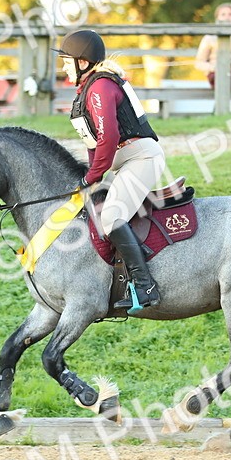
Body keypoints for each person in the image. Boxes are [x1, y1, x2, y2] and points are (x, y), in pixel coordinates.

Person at [57, 29, 165, 311]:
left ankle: (145, 286)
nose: (64, 66)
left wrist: (91, 177)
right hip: (125, 160)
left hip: (139, 158)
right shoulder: (90, 88)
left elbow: (108, 140)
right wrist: (91, 178)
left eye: (67, 60)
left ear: (83, 62)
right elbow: (95, 143)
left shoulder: (100, 88)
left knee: (112, 217)